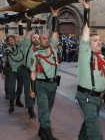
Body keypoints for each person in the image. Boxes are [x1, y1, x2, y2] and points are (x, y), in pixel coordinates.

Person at [76, 0, 105, 140]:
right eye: (95, 40)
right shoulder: (85, 52)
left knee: (89, 123)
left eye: (100, 40)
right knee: (94, 129)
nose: (99, 42)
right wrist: (87, 8)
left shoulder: (103, 58)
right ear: (88, 43)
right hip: (86, 96)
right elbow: (86, 31)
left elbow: (103, 78)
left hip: (97, 97)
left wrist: (102, 94)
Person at [29, 7, 59, 140]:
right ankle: (48, 135)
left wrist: (55, 16)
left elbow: (55, 32)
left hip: (53, 85)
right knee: (43, 107)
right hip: (40, 85)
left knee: (48, 109)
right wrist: (32, 89)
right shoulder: (35, 55)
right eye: (44, 38)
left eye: (48, 38)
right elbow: (33, 73)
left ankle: (41, 131)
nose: (47, 40)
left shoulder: (54, 49)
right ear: (39, 41)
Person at [1, 32, 24, 113]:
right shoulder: (6, 50)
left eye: (13, 39)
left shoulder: (20, 47)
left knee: (20, 86)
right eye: (10, 40)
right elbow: (3, 62)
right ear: (8, 42)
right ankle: (11, 105)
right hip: (12, 71)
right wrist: (3, 73)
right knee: (12, 87)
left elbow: (21, 36)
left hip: (21, 70)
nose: (12, 41)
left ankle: (18, 100)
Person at [22, 16, 39, 119]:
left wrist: (37, 27)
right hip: (27, 71)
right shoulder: (27, 45)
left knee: (35, 89)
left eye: (37, 38)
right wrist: (29, 20)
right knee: (29, 89)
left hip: (37, 73)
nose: (36, 39)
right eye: (34, 38)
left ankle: (31, 104)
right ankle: (30, 108)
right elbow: (28, 33)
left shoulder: (40, 48)